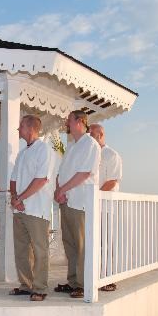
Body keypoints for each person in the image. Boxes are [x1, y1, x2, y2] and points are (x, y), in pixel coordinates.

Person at [54, 111, 101, 299]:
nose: (67, 123)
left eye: (70, 120)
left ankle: (82, 284)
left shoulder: (90, 144)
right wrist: (59, 190)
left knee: (81, 245)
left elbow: (84, 174)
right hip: (67, 200)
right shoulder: (73, 146)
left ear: (80, 122)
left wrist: (63, 189)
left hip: (80, 201)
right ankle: (73, 281)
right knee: (70, 244)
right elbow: (62, 172)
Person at [9, 115, 54, 301]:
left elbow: (42, 179)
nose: (18, 130)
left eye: (20, 126)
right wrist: (14, 197)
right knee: (21, 250)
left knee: (39, 249)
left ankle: (40, 287)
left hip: (36, 208)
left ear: (29, 128)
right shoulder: (22, 153)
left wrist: (20, 197)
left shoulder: (44, 149)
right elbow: (13, 179)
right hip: (20, 209)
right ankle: (26, 284)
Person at [90, 123, 123, 292]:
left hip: (106, 207)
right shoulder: (90, 154)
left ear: (100, 134)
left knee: (106, 243)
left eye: (91, 133)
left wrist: (94, 197)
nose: (89, 136)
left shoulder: (112, 155)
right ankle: (94, 276)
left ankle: (109, 278)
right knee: (93, 243)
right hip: (91, 207)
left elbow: (112, 181)